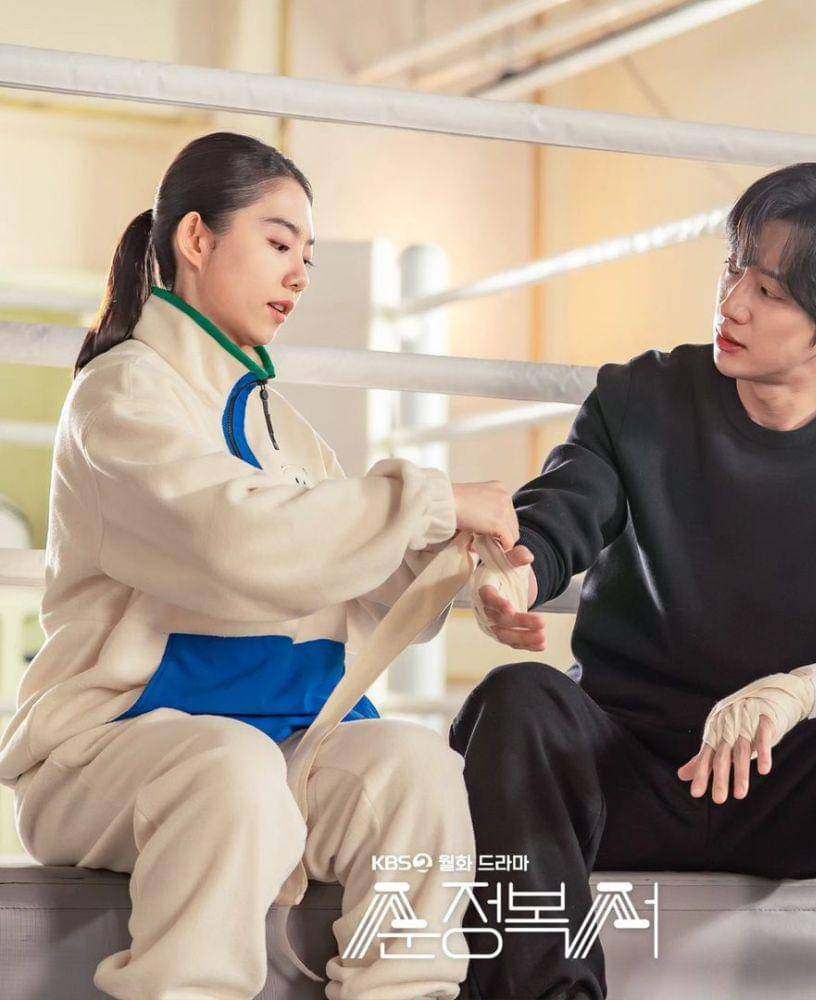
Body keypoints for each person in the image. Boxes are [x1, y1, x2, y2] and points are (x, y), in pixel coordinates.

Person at [453, 162, 816, 1000]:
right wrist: (515, 578)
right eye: (733, 269)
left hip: (789, 779)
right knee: (516, 698)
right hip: (631, 770)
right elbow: (562, 514)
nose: (733, 304)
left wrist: (806, 690)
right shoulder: (639, 398)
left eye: (770, 291)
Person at [0, 131, 519, 1000]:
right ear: (196, 238)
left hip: (280, 746)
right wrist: (430, 500)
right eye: (280, 244)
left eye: (308, 257)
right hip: (111, 752)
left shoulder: (281, 426)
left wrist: (449, 558)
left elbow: (340, 572)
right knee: (231, 768)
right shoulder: (122, 394)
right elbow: (234, 545)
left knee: (418, 769)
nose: (299, 276)